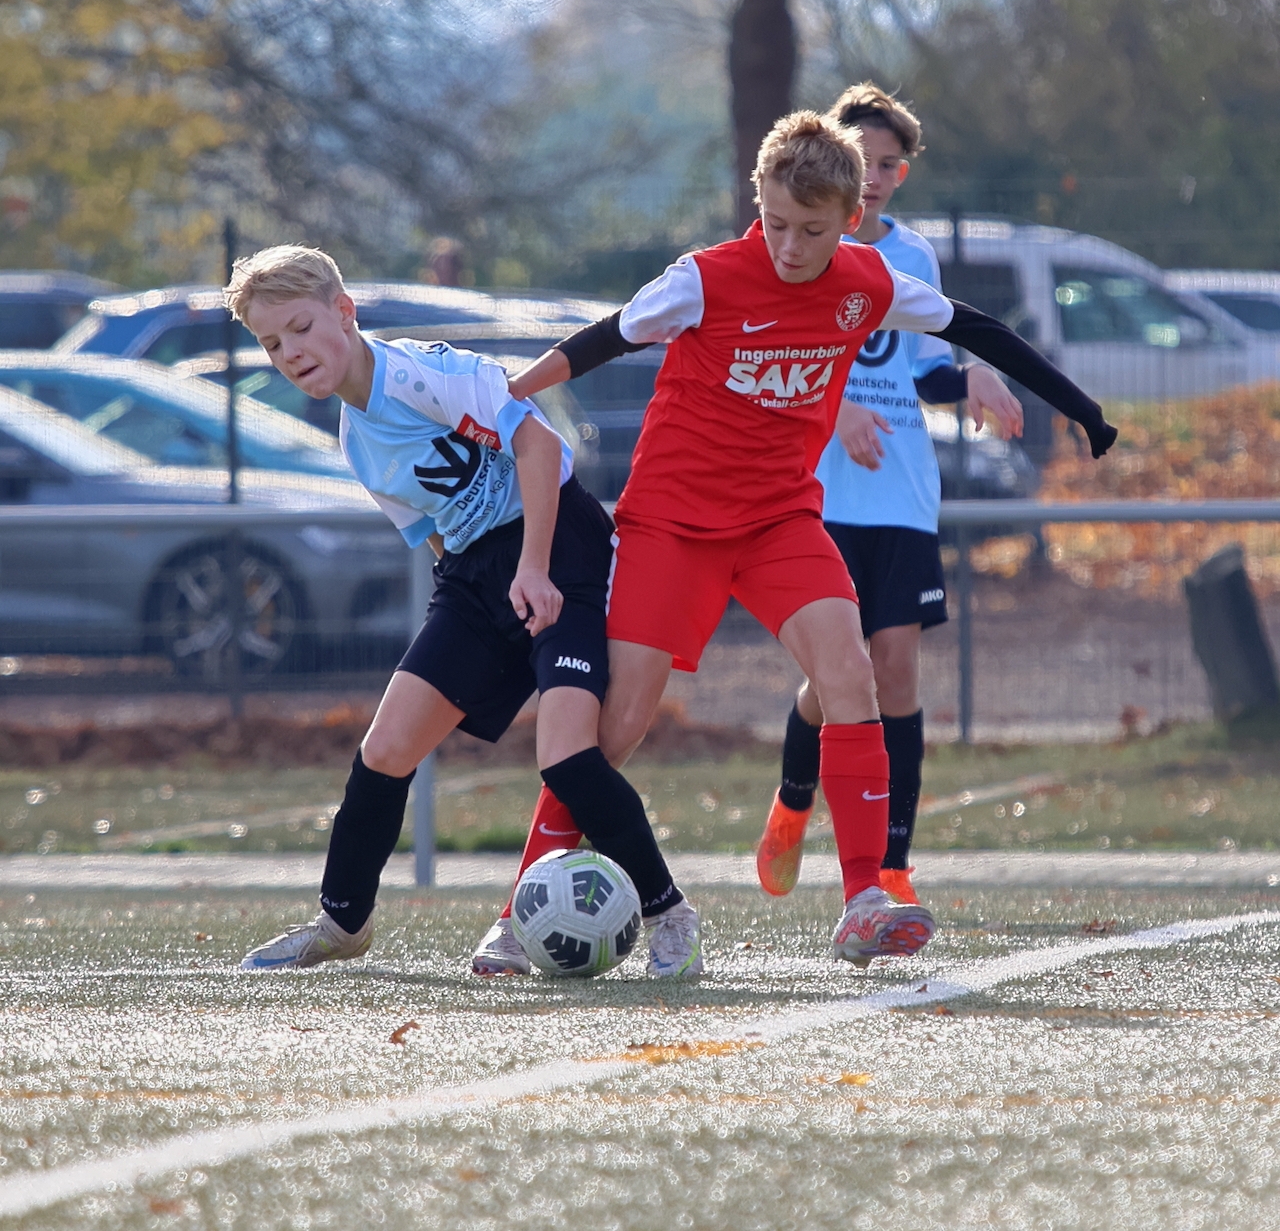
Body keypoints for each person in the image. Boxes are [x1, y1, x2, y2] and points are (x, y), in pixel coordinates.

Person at [506, 111, 1116, 966]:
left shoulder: (869, 281)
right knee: (618, 728)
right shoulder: (705, 279)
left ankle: (865, 898)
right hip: (672, 523)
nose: (790, 247)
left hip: (779, 520)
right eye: (777, 223)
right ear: (757, 199)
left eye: (813, 230)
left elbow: (976, 329)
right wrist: (510, 395)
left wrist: (1082, 409)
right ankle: (523, 906)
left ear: (851, 220)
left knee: (851, 670)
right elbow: (603, 339)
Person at [225, 245, 702, 978]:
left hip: (558, 548)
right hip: (476, 576)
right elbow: (437, 533)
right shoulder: (355, 439)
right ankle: (343, 922)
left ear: (344, 313)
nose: (289, 352)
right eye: (270, 343)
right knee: (385, 751)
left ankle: (670, 914)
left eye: (300, 328)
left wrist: (534, 568)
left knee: (567, 757)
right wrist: (470, 613)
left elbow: (537, 448)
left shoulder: (423, 375)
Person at [757, 83, 1022, 906]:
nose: (872, 176)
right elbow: (769, 360)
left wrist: (971, 376)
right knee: (840, 674)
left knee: (894, 671)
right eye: (861, 159)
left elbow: (923, 369)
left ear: (901, 175)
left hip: (901, 495)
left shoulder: (913, 259)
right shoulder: (792, 245)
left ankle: (893, 867)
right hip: (821, 497)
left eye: (888, 165)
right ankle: (793, 802)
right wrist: (834, 411)